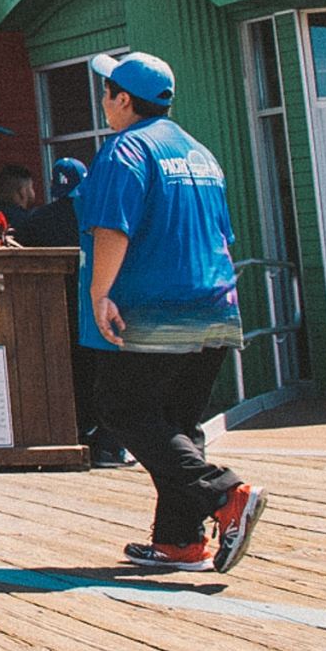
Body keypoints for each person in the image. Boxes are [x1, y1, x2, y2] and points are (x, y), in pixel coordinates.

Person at [79, 52, 265, 574]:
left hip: (158, 307)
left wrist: (100, 294)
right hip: (217, 305)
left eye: (106, 91)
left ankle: (226, 495)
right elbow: (224, 235)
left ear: (122, 99)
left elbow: (112, 227)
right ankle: (180, 542)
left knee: (122, 408)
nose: (103, 101)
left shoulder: (124, 149)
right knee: (178, 423)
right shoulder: (200, 154)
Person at [11, 157, 127, 467]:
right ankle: (107, 446)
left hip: (55, 313)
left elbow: (11, 246)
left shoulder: (38, 220)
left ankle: (75, 434)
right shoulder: (99, 216)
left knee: (72, 377)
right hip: (97, 311)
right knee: (107, 379)